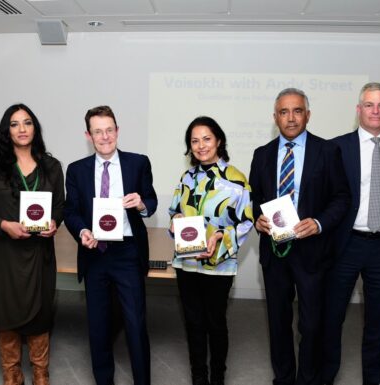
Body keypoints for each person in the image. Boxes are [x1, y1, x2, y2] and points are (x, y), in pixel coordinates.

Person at [249, 88, 350, 385]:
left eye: (296, 111)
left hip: (313, 253)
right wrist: (258, 220)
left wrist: (318, 223)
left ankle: (307, 379)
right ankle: (283, 379)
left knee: (311, 324)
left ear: (307, 114)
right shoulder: (262, 154)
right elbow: (255, 199)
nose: (290, 118)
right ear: (275, 117)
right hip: (275, 252)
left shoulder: (328, 151)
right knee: (278, 323)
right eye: (284, 112)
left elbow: (342, 198)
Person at [321, 83, 380, 385]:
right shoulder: (336, 147)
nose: (376, 111)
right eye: (370, 105)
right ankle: (325, 375)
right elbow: (330, 198)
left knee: (379, 321)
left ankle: (374, 379)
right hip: (344, 245)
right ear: (358, 109)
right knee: (331, 318)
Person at [64, 105, 157, 385]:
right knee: (98, 325)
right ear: (88, 135)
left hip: (127, 252)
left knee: (135, 324)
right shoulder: (76, 170)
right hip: (95, 254)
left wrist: (141, 204)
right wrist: (82, 231)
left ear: (117, 131)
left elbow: (151, 203)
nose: (104, 136)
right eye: (97, 131)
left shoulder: (138, 163)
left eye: (109, 130)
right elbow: (71, 212)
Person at [0, 104, 65, 385]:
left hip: (38, 252)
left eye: (27, 122)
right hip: (2, 253)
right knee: (6, 313)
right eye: (14, 124)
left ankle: (40, 371)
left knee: (40, 312)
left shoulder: (52, 166)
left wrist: (54, 223)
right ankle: (11, 372)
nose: (22, 129)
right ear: (6, 130)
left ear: (35, 128)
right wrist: (4, 226)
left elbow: (60, 206)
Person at [168, 116, 254, 385]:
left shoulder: (237, 179)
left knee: (215, 322)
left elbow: (247, 221)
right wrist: (176, 223)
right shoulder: (186, 177)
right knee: (193, 322)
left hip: (219, 264)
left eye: (206, 139)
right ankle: (199, 376)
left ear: (218, 140)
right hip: (187, 263)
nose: (201, 145)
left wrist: (221, 236)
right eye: (194, 140)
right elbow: (174, 213)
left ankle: (218, 376)